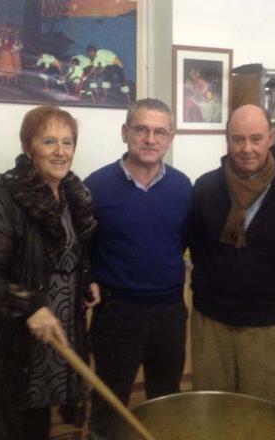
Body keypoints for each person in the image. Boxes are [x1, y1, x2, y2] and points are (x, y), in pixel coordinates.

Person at [0, 105, 99, 439]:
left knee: (38, 425)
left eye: (67, 142)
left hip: (57, 336)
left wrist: (86, 280)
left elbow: (67, 256)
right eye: (49, 141)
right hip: (16, 345)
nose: (60, 151)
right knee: (10, 425)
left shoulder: (72, 196)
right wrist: (29, 306)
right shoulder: (4, 199)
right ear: (28, 147)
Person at [189, 104, 275, 407]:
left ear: (270, 138)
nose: (247, 148)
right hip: (211, 323)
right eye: (238, 139)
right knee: (212, 411)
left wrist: (267, 295)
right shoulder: (205, 188)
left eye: (256, 138)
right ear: (227, 139)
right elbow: (197, 247)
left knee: (263, 414)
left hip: (268, 326)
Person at [85, 98, 192, 437]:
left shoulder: (182, 187)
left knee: (166, 399)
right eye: (142, 129)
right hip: (117, 314)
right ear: (125, 132)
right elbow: (81, 248)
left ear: (170, 138)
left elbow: (182, 241)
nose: (150, 139)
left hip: (169, 312)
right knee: (109, 403)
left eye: (159, 132)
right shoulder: (95, 186)